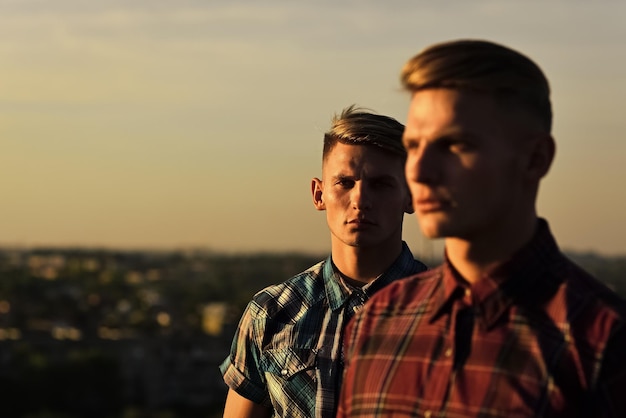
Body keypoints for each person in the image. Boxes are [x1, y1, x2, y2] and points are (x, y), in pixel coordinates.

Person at [337, 40, 626, 418]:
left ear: (536, 159)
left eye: (455, 145)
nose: (420, 172)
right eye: (414, 146)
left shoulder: (602, 344)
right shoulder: (377, 322)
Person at [220, 105, 428, 418]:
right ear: (319, 194)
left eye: (381, 184)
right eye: (345, 182)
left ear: (411, 196)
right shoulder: (271, 314)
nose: (360, 200)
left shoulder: (454, 315)